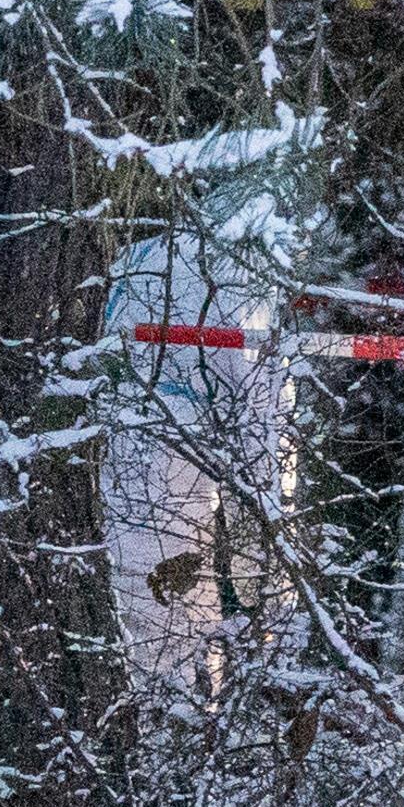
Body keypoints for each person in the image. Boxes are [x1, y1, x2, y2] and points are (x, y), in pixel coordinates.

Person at [100, 230, 287, 695]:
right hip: (179, 458)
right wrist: (262, 592)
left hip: (123, 432)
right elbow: (258, 441)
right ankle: (184, 721)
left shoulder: (146, 255)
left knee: (148, 604)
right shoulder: (247, 278)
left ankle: (163, 719)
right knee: (180, 616)